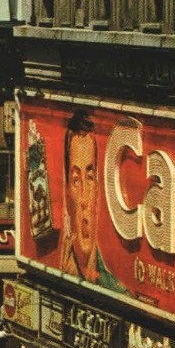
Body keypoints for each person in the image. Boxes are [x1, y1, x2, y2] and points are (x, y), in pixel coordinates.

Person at [59, 110, 129, 293]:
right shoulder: (60, 269)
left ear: (98, 189)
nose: (83, 199)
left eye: (89, 178)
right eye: (75, 180)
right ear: (67, 194)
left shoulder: (118, 292)